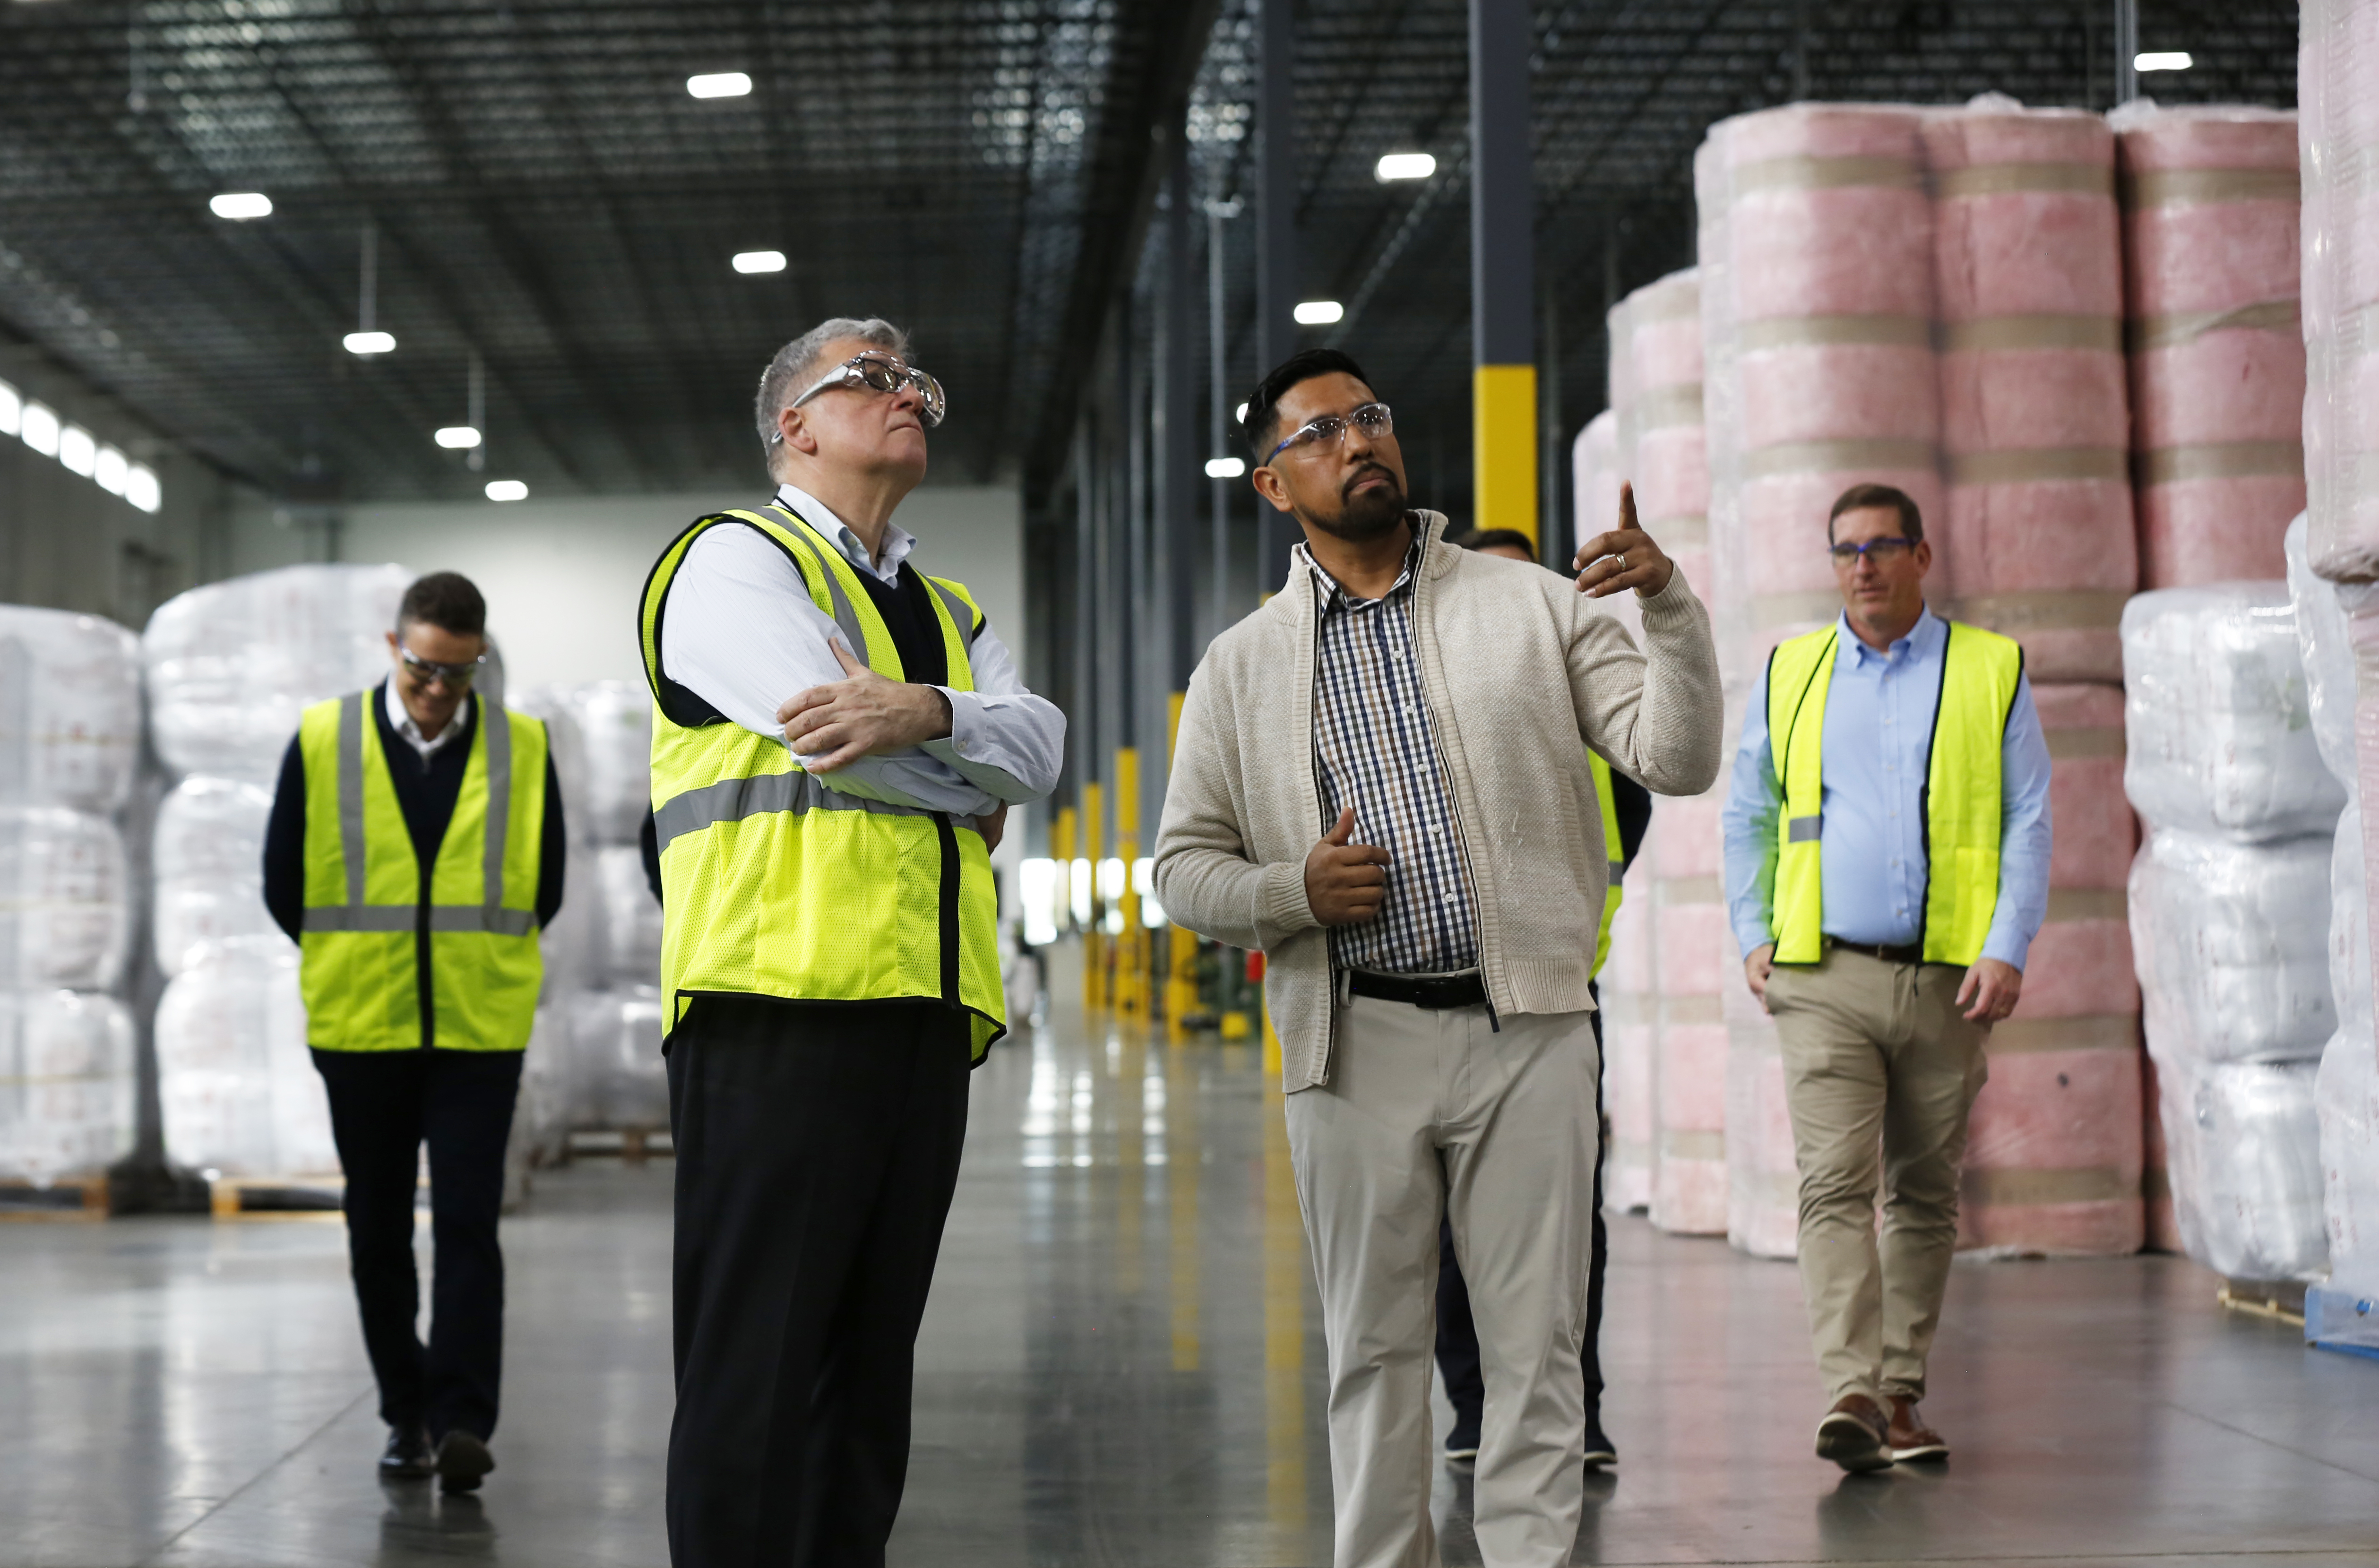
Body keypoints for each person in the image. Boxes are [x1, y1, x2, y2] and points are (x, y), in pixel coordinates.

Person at [1154, 348, 1721, 1568]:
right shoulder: (1240, 669)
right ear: (1270, 484)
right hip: (1356, 1041)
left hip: (1530, 1034)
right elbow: (1182, 868)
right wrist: (1290, 889)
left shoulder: (1529, 606)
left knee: (1538, 1350)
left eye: (1368, 417)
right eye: (1318, 432)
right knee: (1374, 1353)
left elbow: (1675, 756)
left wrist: (1669, 607)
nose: (1356, 441)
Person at [641, 317, 1064, 1568]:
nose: (905, 395)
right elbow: (837, 745)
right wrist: (960, 764)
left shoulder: (946, 609)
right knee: (756, 1369)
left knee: (866, 1374)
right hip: (776, 1006)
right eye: (867, 379)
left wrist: (924, 711)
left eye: (914, 380)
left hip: (924, 1015)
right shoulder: (728, 562)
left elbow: (1036, 749)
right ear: (795, 426)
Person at [1718, 482, 2050, 1473]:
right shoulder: (1791, 672)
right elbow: (1751, 815)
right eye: (1845, 550)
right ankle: (1851, 1389)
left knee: (1924, 1191)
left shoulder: (1992, 669)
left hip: (1950, 978)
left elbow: (2028, 815)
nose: (1861, 565)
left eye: (1881, 546)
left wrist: (2009, 944)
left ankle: (1900, 1395)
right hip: (1823, 973)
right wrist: (1752, 932)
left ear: (1922, 555)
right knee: (1832, 1185)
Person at [262, 570, 567, 1494]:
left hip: (479, 1028)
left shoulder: (523, 747)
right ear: (395, 647)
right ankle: (406, 1414)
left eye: (460, 675)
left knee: (471, 1222)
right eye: (426, 670)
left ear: (480, 662)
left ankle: (464, 1418)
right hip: (363, 1025)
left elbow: (544, 886)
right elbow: (284, 882)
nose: (439, 692)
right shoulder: (323, 740)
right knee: (379, 1228)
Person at [1432, 526, 1652, 1471]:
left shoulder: (1595, 740)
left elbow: (1627, 830)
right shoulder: (1429, 728)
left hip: (1563, 1003)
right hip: (1441, 1005)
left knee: (1570, 1227)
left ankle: (1577, 1407)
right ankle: (1475, 1407)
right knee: (1452, 1224)